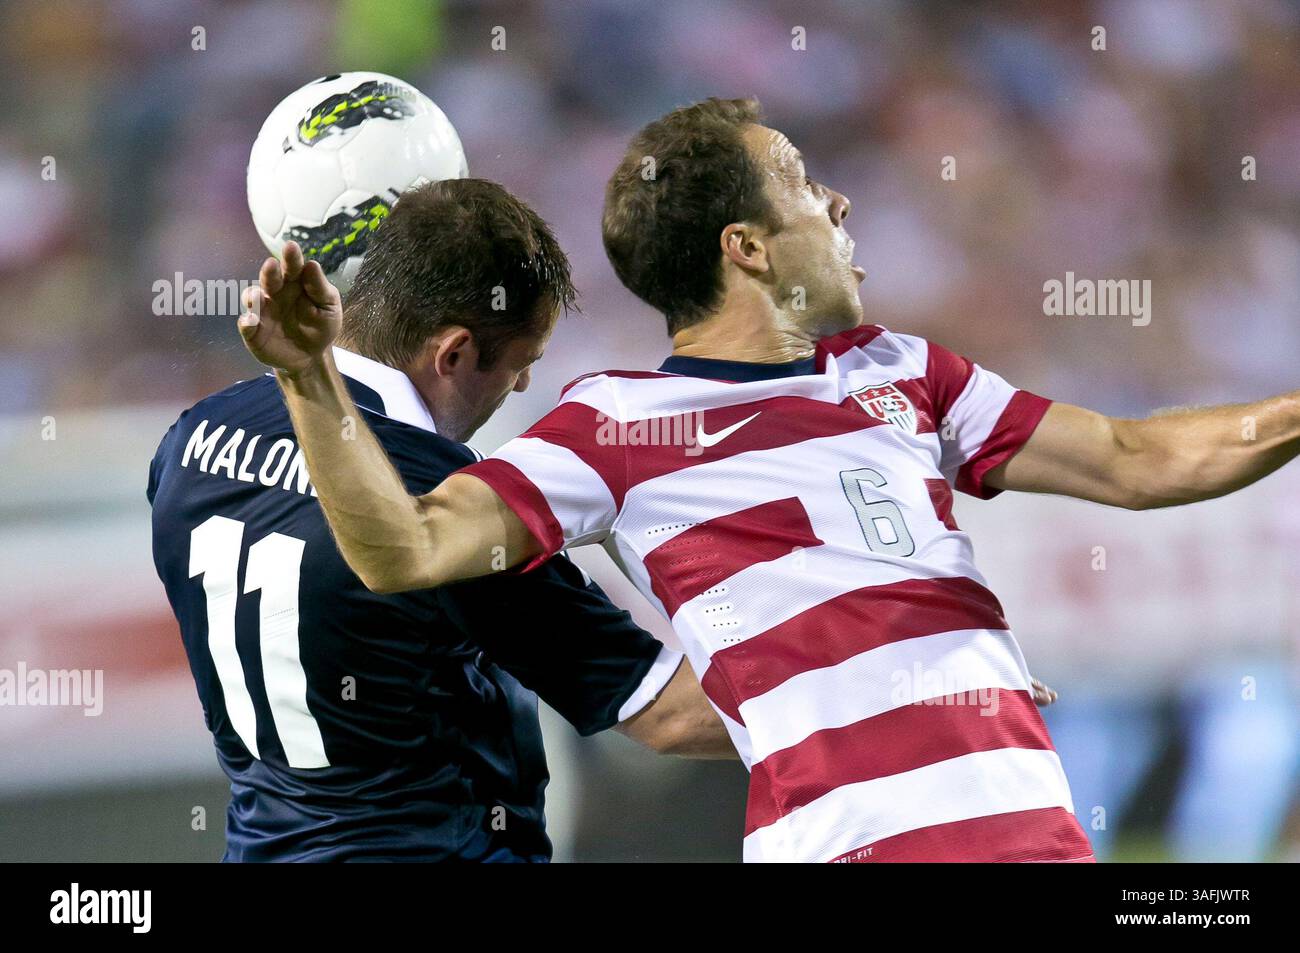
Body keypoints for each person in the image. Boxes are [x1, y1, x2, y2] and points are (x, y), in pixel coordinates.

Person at [238, 99, 1206, 863]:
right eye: (798, 179)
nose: (838, 202)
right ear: (742, 246)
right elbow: (403, 549)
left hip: (1035, 835)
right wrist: (308, 374)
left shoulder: (903, 370)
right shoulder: (613, 426)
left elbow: (1138, 458)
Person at [150, 178, 736, 863]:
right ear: (453, 353)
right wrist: (865, 683)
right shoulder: (444, 510)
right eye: (523, 363)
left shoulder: (191, 439)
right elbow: (666, 711)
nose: (520, 386)